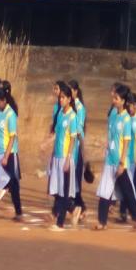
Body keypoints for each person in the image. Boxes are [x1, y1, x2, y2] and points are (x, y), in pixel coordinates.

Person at [95, 84, 136, 231]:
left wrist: (121, 163)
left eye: (116, 98)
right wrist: (106, 147)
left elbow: (126, 142)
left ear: (123, 101)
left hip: (120, 162)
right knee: (104, 190)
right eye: (113, 97)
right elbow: (111, 136)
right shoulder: (113, 114)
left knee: (127, 192)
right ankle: (102, 222)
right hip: (110, 160)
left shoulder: (127, 119)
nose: (113, 100)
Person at [48, 83, 80, 231]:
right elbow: (57, 134)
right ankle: (72, 210)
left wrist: (68, 158)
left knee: (64, 191)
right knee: (57, 191)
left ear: (69, 99)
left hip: (66, 158)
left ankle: (60, 223)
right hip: (57, 156)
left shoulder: (73, 117)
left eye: (63, 97)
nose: (60, 100)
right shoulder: (60, 113)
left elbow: (73, 138)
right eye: (60, 97)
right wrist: (46, 144)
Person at [0, 88, 22, 221]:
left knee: (13, 184)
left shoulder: (10, 114)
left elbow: (12, 137)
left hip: (9, 154)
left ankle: (19, 212)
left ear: (4, 101)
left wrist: (6, 156)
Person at [69, 80, 88, 224]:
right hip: (69, 148)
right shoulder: (68, 106)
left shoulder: (80, 108)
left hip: (75, 148)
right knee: (71, 182)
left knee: (73, 182)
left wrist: (83, 151)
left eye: (71, 90)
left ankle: (76, 208)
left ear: (76, 91)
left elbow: (79, 131)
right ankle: (80, 208)